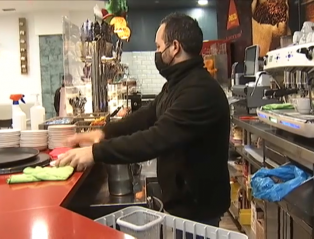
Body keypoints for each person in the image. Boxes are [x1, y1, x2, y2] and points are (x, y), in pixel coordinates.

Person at [55, 12, 231, 232]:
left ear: (174, 47)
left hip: (199, 211)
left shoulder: (199, 91)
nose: (157, 53)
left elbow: (155, 139)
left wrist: (95, 152)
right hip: (185, 204)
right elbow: (149, 114)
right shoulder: (178, 84)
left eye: (159, 47)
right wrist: (104, 133)